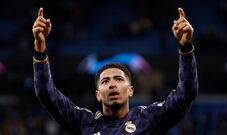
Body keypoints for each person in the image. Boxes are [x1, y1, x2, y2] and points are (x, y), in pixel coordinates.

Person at [32, 7, 198, 135]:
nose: (112, 84)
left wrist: (185, 48)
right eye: (105, 81)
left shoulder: (147, 119)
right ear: (98, 94)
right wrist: (40, 50)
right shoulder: (84, 123)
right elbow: (47, 94)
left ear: (131, 90)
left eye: (118, 79)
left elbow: (185, 95)